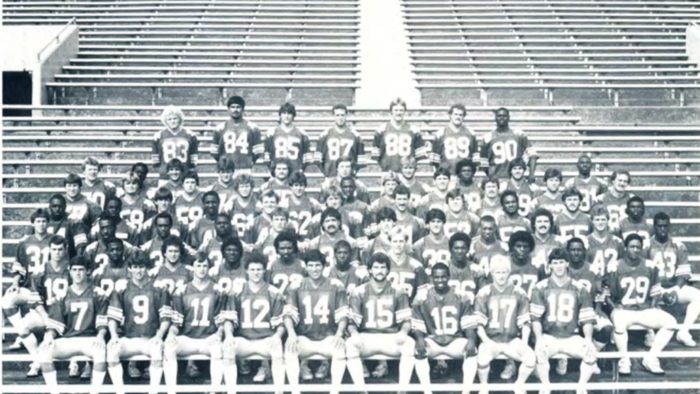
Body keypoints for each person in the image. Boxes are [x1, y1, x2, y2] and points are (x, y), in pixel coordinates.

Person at [38, 255, 108, 394]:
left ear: (88, 271)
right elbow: (55, 323)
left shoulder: (98, 293)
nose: (77, 273)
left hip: (90, 338)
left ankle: (95, 391)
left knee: (100, 351)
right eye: (74, 270)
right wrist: (50, 337)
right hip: (68, 339)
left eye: (81, 269)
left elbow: (102, 321)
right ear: (69, 271)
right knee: (44, 350)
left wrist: (100, 336)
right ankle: (54, 391)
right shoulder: (62, 294)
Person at [531, 248, 597, 394]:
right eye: (555, 263)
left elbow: (586, 318)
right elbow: (535, 318)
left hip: (571, 336)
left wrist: (588, 339)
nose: (559, 266)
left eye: (561, 262)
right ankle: (545, 385)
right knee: (539, 352)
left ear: (567, 263)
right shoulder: (540, 287)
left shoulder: (579, 288)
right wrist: (539, 338)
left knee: (591, 353)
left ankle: (581, 387)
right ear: (550, 266)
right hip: (550, 335)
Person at [607, 234, 676, 375]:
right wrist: (615, 308)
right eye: (632, 246)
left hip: (644, 309)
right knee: (619, 322)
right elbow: (607, 294)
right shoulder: (615, 266)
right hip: (624, 309)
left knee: (671, 322)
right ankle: (624, 360)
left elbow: (655, 291)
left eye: (638, 247)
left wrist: (653, 304)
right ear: (625, 248)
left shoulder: (650, 265)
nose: (635, 250)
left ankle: (651, 358)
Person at [345, 253, 416, 389]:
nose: (379, 271)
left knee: (409, 344)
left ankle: (402, 390)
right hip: (367, 337)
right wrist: (354, 334)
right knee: (350, 344)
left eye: (383, 267)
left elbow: (406, 320)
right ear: (370, 270)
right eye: (376, 267)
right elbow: (351, 323)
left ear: (388, 270)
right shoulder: (359, 291)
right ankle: (361, 390)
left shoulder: (398, 290)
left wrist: (403, 331)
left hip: (391, 337)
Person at [106, 253, 171, 394]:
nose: (138, 271)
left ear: (147, 268)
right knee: (112, 350)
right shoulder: (122, 288)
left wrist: (159, 336)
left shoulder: (158, 288)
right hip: (129, 339)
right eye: (135, 267)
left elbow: (166, 318)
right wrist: (113, 336)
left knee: (157, 350)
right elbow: (113, 317)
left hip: (150, 339)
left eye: (141, 267)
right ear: (130, 268)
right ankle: (119, 391)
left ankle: (153, 391)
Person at [163, 256, 229, 394]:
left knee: (218, 349)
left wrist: (219, 333)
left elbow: (221, 321)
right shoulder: (181, 290)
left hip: (208, 338)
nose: (201, 269)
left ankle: (215, 390)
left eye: (205, 266)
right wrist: (171, 334)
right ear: (192, 267)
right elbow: (176, 322)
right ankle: (171, 391)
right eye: (198, 266)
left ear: (209, 268)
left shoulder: (217, 290)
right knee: (169, 348)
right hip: (187, 338)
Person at [283, 250, 348, 390]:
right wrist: (291, 333)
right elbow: (288, 314)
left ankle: (335, 390)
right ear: (305, 267)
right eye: (311, 265)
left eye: (318, 265)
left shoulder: (335, 285)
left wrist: (339, 334)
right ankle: (295, 390)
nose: (314, 269)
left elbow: (343, 314)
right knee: (290, 349)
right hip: (304, 338)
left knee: (340, 351)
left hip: (328, 337)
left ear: (324, 266)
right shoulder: (296, 285)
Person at [222, 252, 286, 388]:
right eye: (252, 269)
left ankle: (279, 390)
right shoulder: (237, 291)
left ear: (264, 270)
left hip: (266, 340)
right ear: (246, 271)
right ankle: (230, 390)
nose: (256, 273)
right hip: (244, 340)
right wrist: (228, 335)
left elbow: (281, 322)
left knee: (278, 346)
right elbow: (229, 318)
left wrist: (277, 336)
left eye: (259, 269)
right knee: (228, 347)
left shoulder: (274, 292)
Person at [473, 255, 535, 394]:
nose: (501, 276)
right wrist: (487, 341)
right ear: (492, 273)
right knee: (482, 360)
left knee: (530, 359)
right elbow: (479, 325)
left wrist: (524, 342)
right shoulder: (484, 293)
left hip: (511, 340)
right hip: (491, 339)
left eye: (503, 272)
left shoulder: (519, 292)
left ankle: (519, 384)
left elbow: (525, 322)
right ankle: (484, 386)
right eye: (497, 272)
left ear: (509, 272)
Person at [412, 262, 478, 390]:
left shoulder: (461, 296)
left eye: (443, 277)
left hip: (454, 340)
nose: (440, 280)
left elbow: (468, 325)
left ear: (448, 277)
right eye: (436, 277)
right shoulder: (422, 297)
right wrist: (419, 339)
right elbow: (417, 325)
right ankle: (427, 391)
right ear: (432, 278)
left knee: (472, 350)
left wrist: (471, 340)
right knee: (417, 351)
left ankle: (466, 391)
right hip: (433, 341)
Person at [4, 226, 58, 377]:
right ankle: (36, 358)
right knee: (8, 301)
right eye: (38, 221)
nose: (41, 224)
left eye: (44, 221)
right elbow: (18, 266)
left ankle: (37, 361)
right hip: (31, 288)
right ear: (34, 224)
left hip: (55, 304)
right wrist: (15, 283)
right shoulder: (25, 242)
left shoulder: (55, 244)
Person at [647, 212, 699, 347]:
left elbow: (683, 273)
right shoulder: (646, 245)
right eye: (659, 226)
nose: (662, 229)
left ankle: (684, 331)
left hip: (673, 286)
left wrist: (675, 289)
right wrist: (659, 291)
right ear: (654, 227)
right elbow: (643, 273)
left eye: (665, 226)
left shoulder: (678, 245)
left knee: (697, 296)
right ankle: (649, 333)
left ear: (669, 227)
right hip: (652, 289)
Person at [566, 237, 613, 375]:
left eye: (579, 250)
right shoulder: (562, 268)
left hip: (589, 309)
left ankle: (591, 358)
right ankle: (564, 360)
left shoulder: (592, 269)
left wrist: (598, 309)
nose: (576, 253)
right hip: (568, 312)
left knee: (606, 328)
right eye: (573, 250)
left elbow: (600, 290)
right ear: (568, 252)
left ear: (584, 252)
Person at [371, 97, 430, 172]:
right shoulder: (381, 130)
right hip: (388, 173)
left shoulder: (414, 130)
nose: (398, 113)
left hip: (407, 173)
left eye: (401, 110)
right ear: (391, 112)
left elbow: (420, 157)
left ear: (405, 112)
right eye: (396, 110)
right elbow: (375, 157)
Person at [480, 107, 537, 181]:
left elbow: (532, 155)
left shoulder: (519, 134)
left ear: (509, 118)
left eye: (504, 116)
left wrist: (531, 174)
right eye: (499, 116)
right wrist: (491, 175)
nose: (502, 118)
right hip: (497, 178)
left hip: (516, 178)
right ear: (495, 118)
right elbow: (483, 162)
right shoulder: (487, 137)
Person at [210, 95, 264, 173]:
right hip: (226, 169)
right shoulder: (220, 128)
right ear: (228, 109)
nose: (235, 110)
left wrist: (250, 161)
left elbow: (258, 151)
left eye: (238, 107)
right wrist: (223, 162)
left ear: (243, 109)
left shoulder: (252, 127)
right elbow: (214, 152)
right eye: (233, 107)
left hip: (245, 168)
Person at [316, 103, 366, 178]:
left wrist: (353, 171)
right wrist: (326, 172)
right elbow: (318, 160)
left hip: (349, 176)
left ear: (346, 116)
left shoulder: (356, 135)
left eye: (342, 115)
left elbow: (361, 161)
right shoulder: (324, 135)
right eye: (337, 115)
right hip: (330, 174)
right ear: (333, 116)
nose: (340, 118)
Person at [263, 102, 314, 173]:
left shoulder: (302, 133)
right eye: (284, 113)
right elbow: (267, 156)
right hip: (278, 171)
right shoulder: (271, 133)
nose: (286, 116)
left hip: (295, 171)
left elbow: (307, 157)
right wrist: (273, 170)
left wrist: (301, 169)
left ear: (293, 116)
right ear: (280, 115)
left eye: (289, 113)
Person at [151, 106, 198, 180]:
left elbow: (193, 157)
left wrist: (190, 170)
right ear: (165, 121)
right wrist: (162, 170)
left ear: (180, 119)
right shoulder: (158, 136)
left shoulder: (190, 135)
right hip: (165, 173)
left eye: (175, 118)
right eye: (169, 119)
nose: (172, 121)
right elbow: (155, 160)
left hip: (184, 173)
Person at [431, 104, 478, 173]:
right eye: (455, 114)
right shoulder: (440, 133)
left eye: (460, 115)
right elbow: (435, 161)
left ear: (463, 117)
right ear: (450, 115)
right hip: (446, 174)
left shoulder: (471, 133)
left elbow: (475, 160)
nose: (458, 117)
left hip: (464, 175)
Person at [585, 205, 624, 278]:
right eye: (597, 220)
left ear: (608, 220)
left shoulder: (618, 241)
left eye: (603, 219)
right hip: (592, 279)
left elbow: (621, 263)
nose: (600, 222)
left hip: (612, 280)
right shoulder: (585, 242)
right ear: (592, 221)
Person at [46, 193, 89, 257]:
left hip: (67, 258)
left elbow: (81, 245)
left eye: (60, 206)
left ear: (65, 207)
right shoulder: (44, 220)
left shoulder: (73, 220)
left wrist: (77, 260)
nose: (57, 209)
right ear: (49, 207)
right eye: (54, 206)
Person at [285, 171, 322, 239]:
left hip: (309, 239)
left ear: (305, 186)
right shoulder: (284, 203)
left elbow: (322, 215)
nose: (299, 188)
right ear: (291, 186)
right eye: (296, 185)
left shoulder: (312, 202)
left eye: (301, 185)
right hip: (290, 239)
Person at [530, 208, 564, 273]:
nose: (543, 224)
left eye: (546, 221)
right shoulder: (528, 240)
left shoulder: (560, 241)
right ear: (534, 224)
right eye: (539, 222)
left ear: (550, 224)